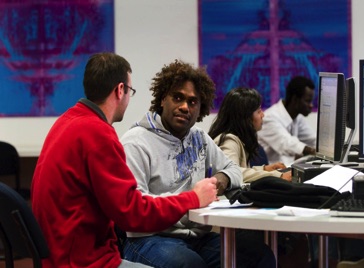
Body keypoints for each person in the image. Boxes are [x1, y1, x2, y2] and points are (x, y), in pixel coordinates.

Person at [31, 52, 219, 268]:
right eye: (130, 91)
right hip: (81, 260)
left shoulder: (67, 121)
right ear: (120, 90)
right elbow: (133, 213)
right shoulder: (98, 133)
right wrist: (193, 198)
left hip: (60, 252)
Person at [119, 59, 276, 267]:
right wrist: (191, 198)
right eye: (178, 98)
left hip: (196, 237)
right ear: (162, 99)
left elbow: (234, 170)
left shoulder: (199, 138)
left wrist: (219, 181)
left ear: (201, 108)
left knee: (259, 254)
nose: (185, 107)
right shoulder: (136, 141)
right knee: (191, 264)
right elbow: (136, 208)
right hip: (148, 238)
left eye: (193, 102)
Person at [208, 87, 292, 182]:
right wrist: (277, 175)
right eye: (259, 111)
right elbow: (231, 172)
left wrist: (264, 169)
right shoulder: (229, 140)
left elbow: (239, 170)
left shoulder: (237, 138)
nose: (263, 115)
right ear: (246, 117)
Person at [258, 76, 316, 165]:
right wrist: (313, 151)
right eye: (308, 101)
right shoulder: (270, 118)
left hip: (285, 170)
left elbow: (313, 139)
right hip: (270, 173)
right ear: (295, 99)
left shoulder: (297, 118)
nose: (311, 105)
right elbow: (287, 143)